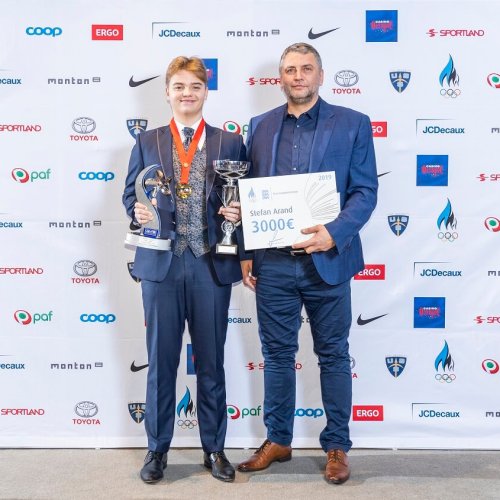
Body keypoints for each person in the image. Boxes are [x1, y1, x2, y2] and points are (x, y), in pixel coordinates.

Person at [238, 43, 378, 484]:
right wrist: (246, 251)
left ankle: (337, 445)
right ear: (280, 77)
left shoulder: (353, 123)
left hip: (328, 258)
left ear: (320, 75)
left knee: (333, 354)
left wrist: (333, 233)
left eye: (305, 68)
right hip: (274, 263)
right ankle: (278, 439)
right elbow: (247, 192)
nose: (297, 76)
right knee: (277, 354)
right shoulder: (260, 126)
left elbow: (365, 191)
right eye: (289, 70)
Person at [123, 56, 246, 484]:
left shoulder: (230, 142)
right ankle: (157, 450)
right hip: (162, 266)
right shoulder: (147, 140)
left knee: (211, 362)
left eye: (195, 86)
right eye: (179, 86)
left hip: (211, 264)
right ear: (167, 93)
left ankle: (214, 448)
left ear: (206, 91)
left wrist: (239, 212)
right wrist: (138, 212)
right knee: (161, 362)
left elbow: (244, 195)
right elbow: (130, 195)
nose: (187, 93)